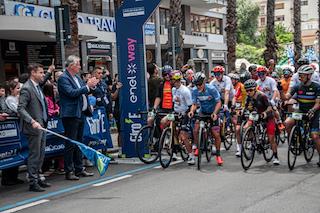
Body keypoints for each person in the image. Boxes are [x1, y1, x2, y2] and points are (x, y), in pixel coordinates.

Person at [58, 55, 98, 180]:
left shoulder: (76, 77)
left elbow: (84, 90)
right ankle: (69, 171)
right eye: (78, 64)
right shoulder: (63, 78)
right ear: (71, 65)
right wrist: (87, 86)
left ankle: (79, 168)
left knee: (79, 142)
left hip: (80, 113)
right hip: (70, 114)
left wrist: (91, 85)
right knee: (71, 143)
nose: (80, 67)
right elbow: (71, 93)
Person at [17, 63, 51, 192]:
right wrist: (31, 121)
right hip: (33, 127)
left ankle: (37, 178)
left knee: (41, 154)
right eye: (41, 72)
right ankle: (32, 182)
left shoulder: (37, 87)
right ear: (33, 73)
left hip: (42, 125)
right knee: (34, 155)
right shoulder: (27, 88)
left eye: (43, 72)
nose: (43, 75)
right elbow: (20, 108)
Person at [284, 65, 320, 166]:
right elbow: (286, 97)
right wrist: (281, 91)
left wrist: (312, 110)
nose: (300, 77)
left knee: (314, 136)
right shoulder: (297, 86)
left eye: (302, 76)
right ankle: (294, 141)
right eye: (299, 75)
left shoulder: (317, 87)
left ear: (309, 76)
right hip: (300, 110)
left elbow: (318, 103)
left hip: (314, 111)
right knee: (287, 122)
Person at [188, 72, 223, 166]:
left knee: (216, 134)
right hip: (203, 112)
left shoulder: (211, 89)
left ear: (204, 82)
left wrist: (215, 113)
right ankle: (197, 145)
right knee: (196, 128)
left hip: (213, 111)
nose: (198, 86)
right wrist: (191, 111)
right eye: (196, 84)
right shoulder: (194, 91)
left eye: (200, 84)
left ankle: (218, 155)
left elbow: (219, 102)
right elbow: (194, 104)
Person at [160, 70, 194, 165]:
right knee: (163, 121)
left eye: (171, 79)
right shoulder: (173, 89)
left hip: (184, 113)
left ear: (176, 80)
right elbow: (174, 103)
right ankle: (169, 138)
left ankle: (191, 155)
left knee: (183, 136)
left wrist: (187, 114)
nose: (170, 81)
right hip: (175, 112)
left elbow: (190, 105)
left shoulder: (185, 91)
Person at [243, 79, 279, 165]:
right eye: (246, 90)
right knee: (247, 126)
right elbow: (246, 107)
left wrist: (264, 113)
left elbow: (269, 107)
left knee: (271, 138)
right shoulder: (248, 97)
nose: (248, 92)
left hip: (267, 116)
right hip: (256, 115)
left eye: (250, 90)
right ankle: (252, 141)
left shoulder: (262, 96)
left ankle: (275, 156)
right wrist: (242, 111)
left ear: (255, 89)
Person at [111, 77, 123, 157]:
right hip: (118, 110)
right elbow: (113, 97)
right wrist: (118, 89)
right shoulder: (115, 86)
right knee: (120, 130)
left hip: (128, 109)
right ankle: (120, 149)